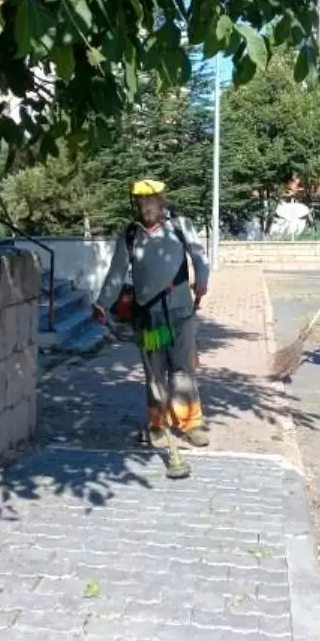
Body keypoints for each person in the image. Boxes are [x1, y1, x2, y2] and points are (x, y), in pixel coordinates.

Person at [93, 179, 212, 447]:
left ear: (161, 200)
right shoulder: (131, 234)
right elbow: (116, 272)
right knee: (155, 373)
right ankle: (158, 425)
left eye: (150, 200)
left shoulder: (181, 227)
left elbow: (199, 257)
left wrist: (202, 279)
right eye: (140, 201)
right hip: (149, 317)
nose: (145, 206)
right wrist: (102, 303)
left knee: (182, 370)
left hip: (180, 313)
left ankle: (191, 424)